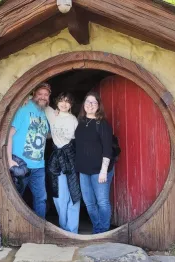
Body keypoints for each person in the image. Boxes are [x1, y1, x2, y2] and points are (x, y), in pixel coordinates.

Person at [7, 83, 51, 219]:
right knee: (16, 198)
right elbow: (10, 134)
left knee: (41, 199)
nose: (43, 97)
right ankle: (13, 230)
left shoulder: (45, 112)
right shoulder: (23, 109)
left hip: (39, 166)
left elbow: (47, 134)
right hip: (21, 164)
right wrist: (9, 160)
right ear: (33, 94)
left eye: (46, 94)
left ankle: (40, 232)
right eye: (40, 94)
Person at [75, 91, 114, 234]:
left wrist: (104, 170)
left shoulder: (102, 124)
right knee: (89, 203)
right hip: (83, 170)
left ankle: (103, 231)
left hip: (100, 170)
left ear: (98, 106)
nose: (90, 105)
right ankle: (98, 228)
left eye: (94, 102)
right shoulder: (79, 123)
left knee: (102, 202)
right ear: (83, 105)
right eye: (87, 102)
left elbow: (107, 149)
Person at [46, 92, 81, 234]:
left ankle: (72, 230)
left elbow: (78, 141)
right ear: (56, 102)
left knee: (74, 194)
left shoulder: (74, 120)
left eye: (67, 101)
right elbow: (32, 96)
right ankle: (63, 229)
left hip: (71, 158)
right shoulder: (51, 114)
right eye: (61, 100)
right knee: (60, 195)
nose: (64, 104)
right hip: (56, 159)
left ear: (71, 104)